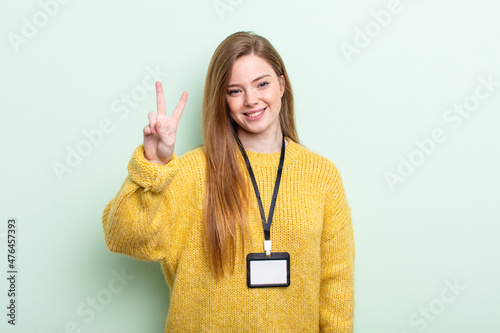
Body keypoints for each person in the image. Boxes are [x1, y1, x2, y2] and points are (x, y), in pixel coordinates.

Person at [102, 31, 354, 332]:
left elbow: (336, 285)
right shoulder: (193, 171)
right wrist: (153, 164)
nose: (251, 100)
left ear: (282, 85)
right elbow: (124, 236)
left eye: (262, 84)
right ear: (222, 98)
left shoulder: (322, 175)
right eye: (235, 91)